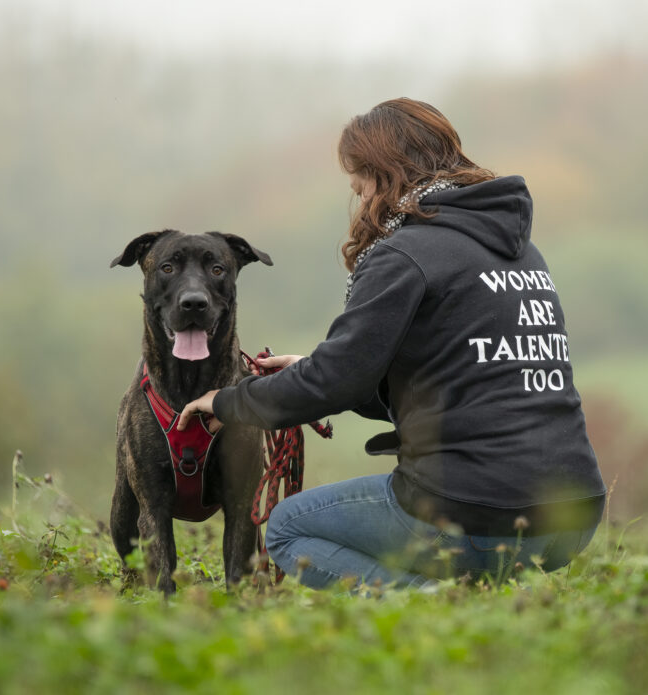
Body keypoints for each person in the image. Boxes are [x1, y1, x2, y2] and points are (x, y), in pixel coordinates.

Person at [180, 98, 605, 589]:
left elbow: (332, 382)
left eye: (359, 183)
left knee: (290, 528)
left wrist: (229, 402)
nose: (358, 198)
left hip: (478, 516)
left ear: (384, 174)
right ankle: (475, 595)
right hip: (573, 514)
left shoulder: (404, 253)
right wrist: (312, 367)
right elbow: (463, 387)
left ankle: (431, 604)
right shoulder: (519, 250)